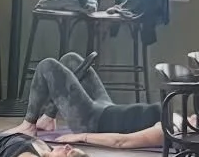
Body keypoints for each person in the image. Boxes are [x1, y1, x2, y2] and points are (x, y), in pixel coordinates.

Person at [19, 52, 163, 144]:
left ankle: (29, 125)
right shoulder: (176, 116)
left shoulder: (171, 130)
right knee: (71, 59)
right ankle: (48, 118)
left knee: (47, 65)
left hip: (92, 122)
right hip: (107, 107)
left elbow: (121, 141)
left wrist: (83, 136)